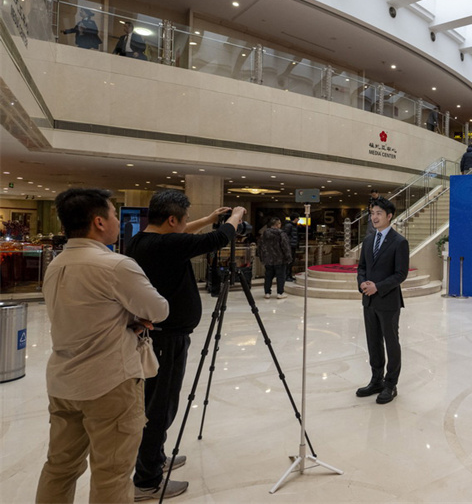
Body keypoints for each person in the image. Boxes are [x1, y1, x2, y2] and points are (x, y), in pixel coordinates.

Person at [35, 188, 168, 504]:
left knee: (60, 467)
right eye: (112, 214)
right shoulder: (115, 265)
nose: (116, 222)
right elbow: (159, 309)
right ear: (98, 221)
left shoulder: (56, 264)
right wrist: (133, 318)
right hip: (110, 382)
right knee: (112, 472)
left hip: (63, 380)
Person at [126, 190, 246, 501]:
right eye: (185, 220)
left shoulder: (143, 240)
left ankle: (154, 459)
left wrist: (206, 219)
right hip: (167, 339)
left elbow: (182, 236)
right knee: (161, 407)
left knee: (157, 402)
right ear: (171, 220)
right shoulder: (167, 245)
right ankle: (147, 480)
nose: (186, 225)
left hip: (161, 336)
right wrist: (235, 217)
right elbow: (216, 240)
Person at [356, 197, 409, 405]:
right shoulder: (368, 240)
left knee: (391, 342)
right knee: (373, 342)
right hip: (368, 301)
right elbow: (361, 267)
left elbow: (400, 274)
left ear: (389, 216)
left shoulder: (399, 242)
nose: (374, 217)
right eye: (372, 213)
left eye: (379, 213)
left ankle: (390, 384)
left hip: (388, 301)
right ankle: (376, 380)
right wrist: (362, 283)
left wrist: (378, 286)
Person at [257, 217, 292, 299]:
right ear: (278, 224)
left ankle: (267, 293)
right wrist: (288, 257)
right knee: (280, 277)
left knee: (268, 276)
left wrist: (262, 257)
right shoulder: (281, 234)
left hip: (268, 259)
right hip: (280, 259)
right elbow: (285, 247)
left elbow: (260, 246)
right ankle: (280, 293)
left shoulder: (264, 234)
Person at [281, 216, 298, 282]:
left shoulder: (294, 226)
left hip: (293, 245)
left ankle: (289, 275)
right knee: (289, 261)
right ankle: (286, 276)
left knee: (291, 261)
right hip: (290, 246)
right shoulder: (289, 226)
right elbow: (285, 235)